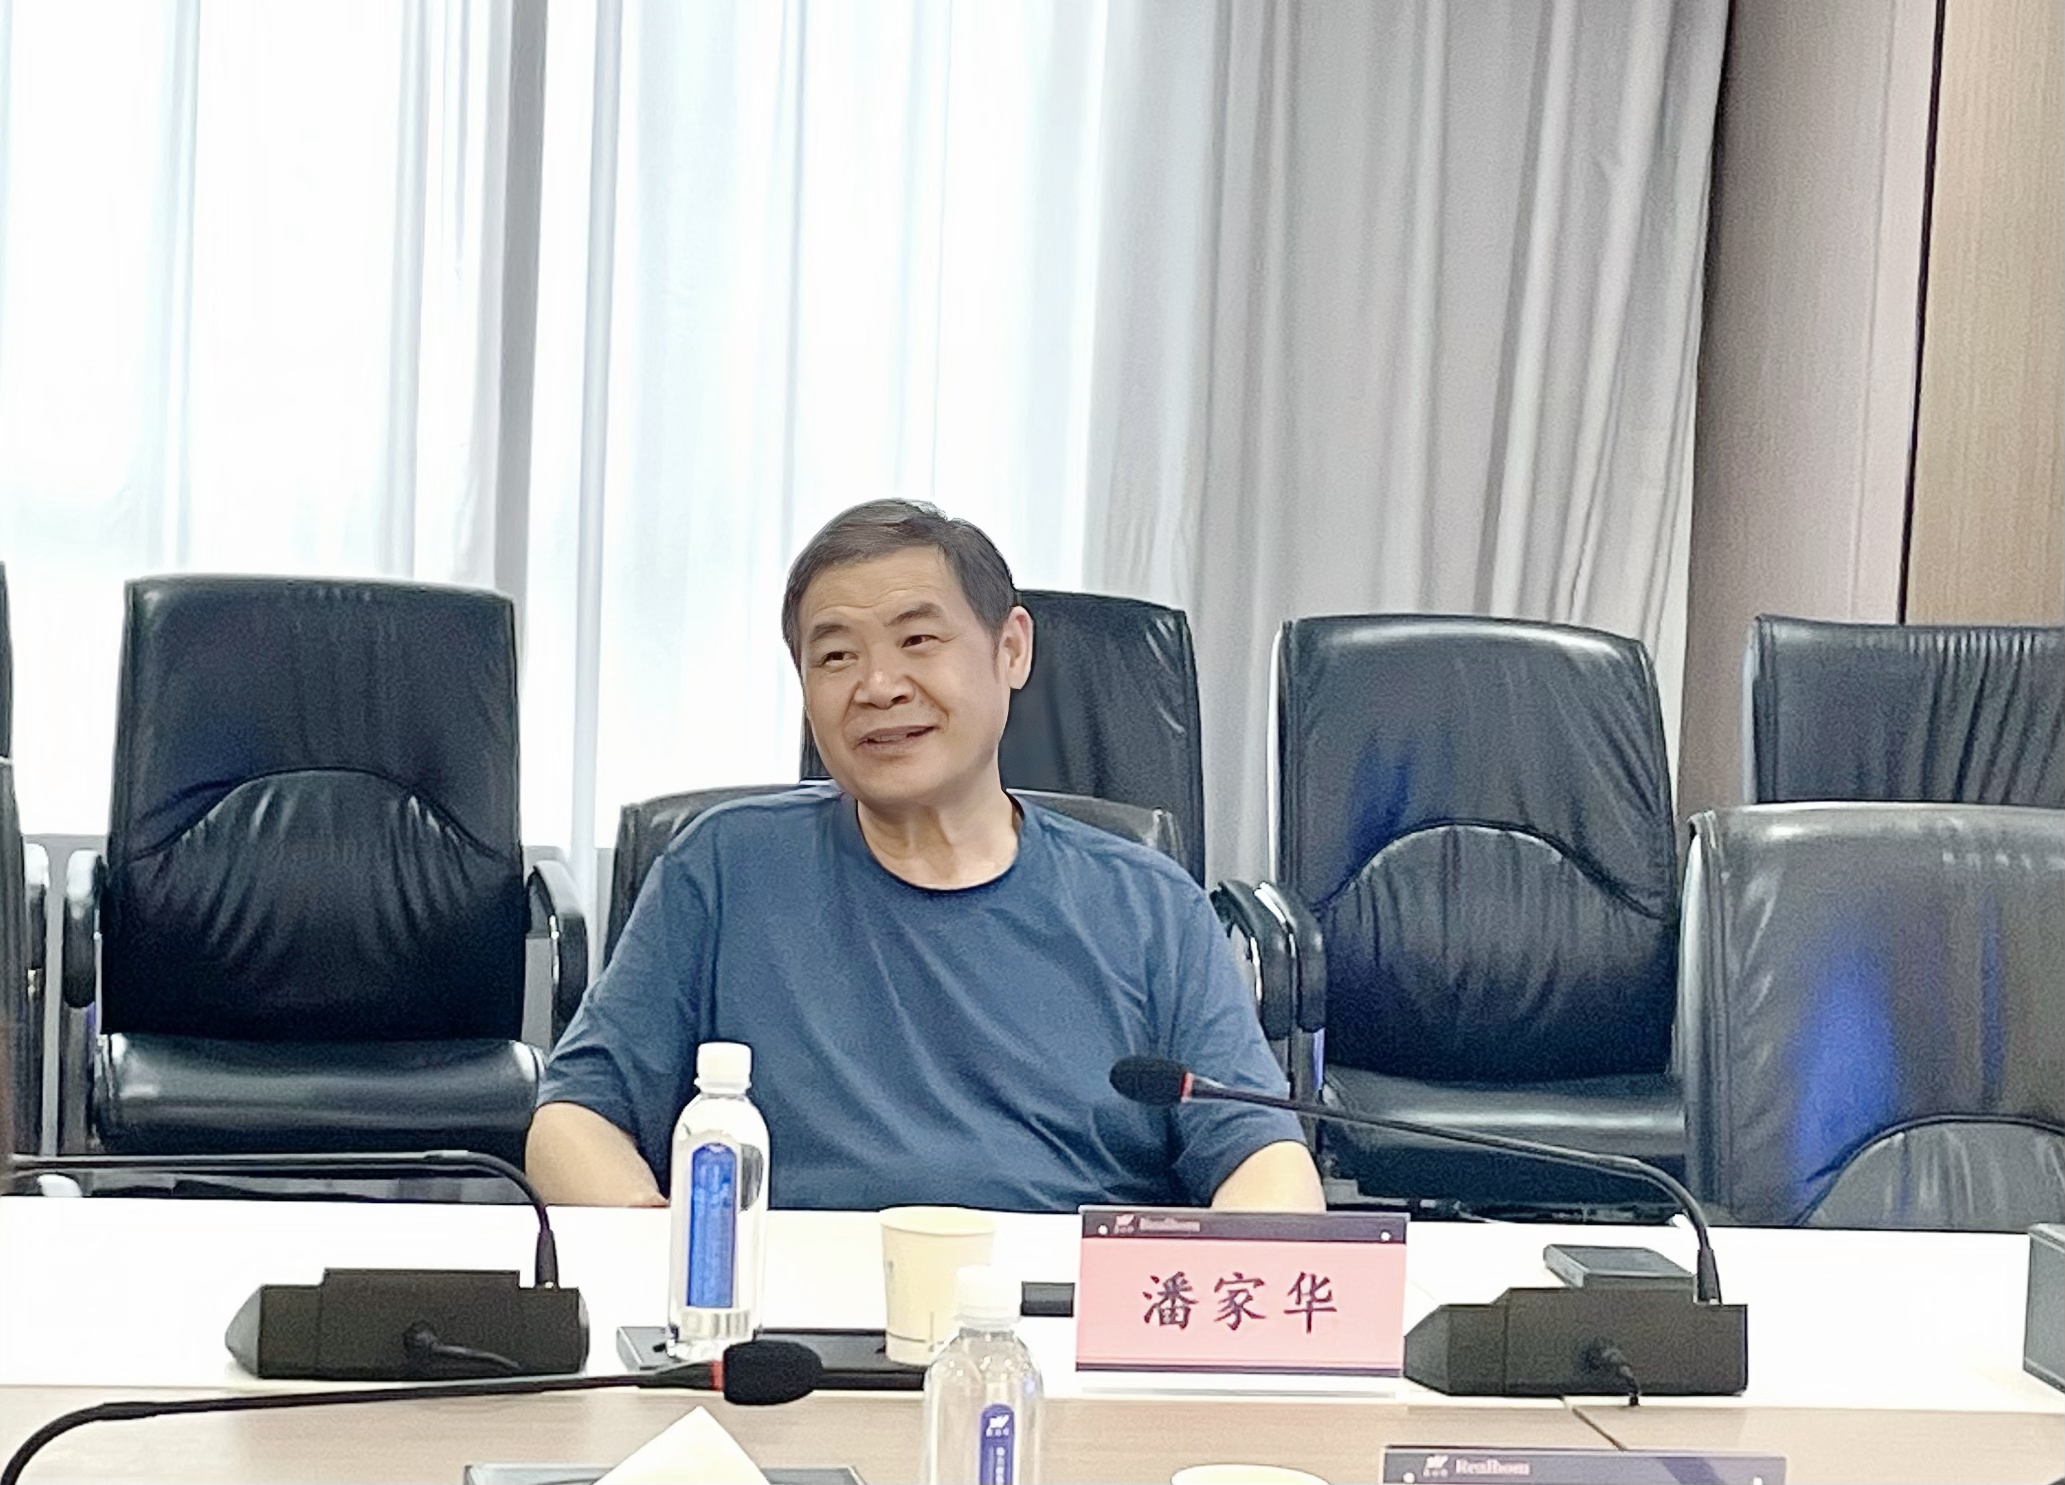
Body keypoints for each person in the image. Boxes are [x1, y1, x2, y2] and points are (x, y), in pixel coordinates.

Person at [528, 499, 1324, 1213]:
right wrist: (666, 1247)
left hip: (1059, 1307)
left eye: (917, 640)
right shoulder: (723, 869)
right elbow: (573, 1118)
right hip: (791, 1308)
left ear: (1011, 649)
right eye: (834, 657)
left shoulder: (1148, 904)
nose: (877, 685)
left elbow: (1265, 1159)